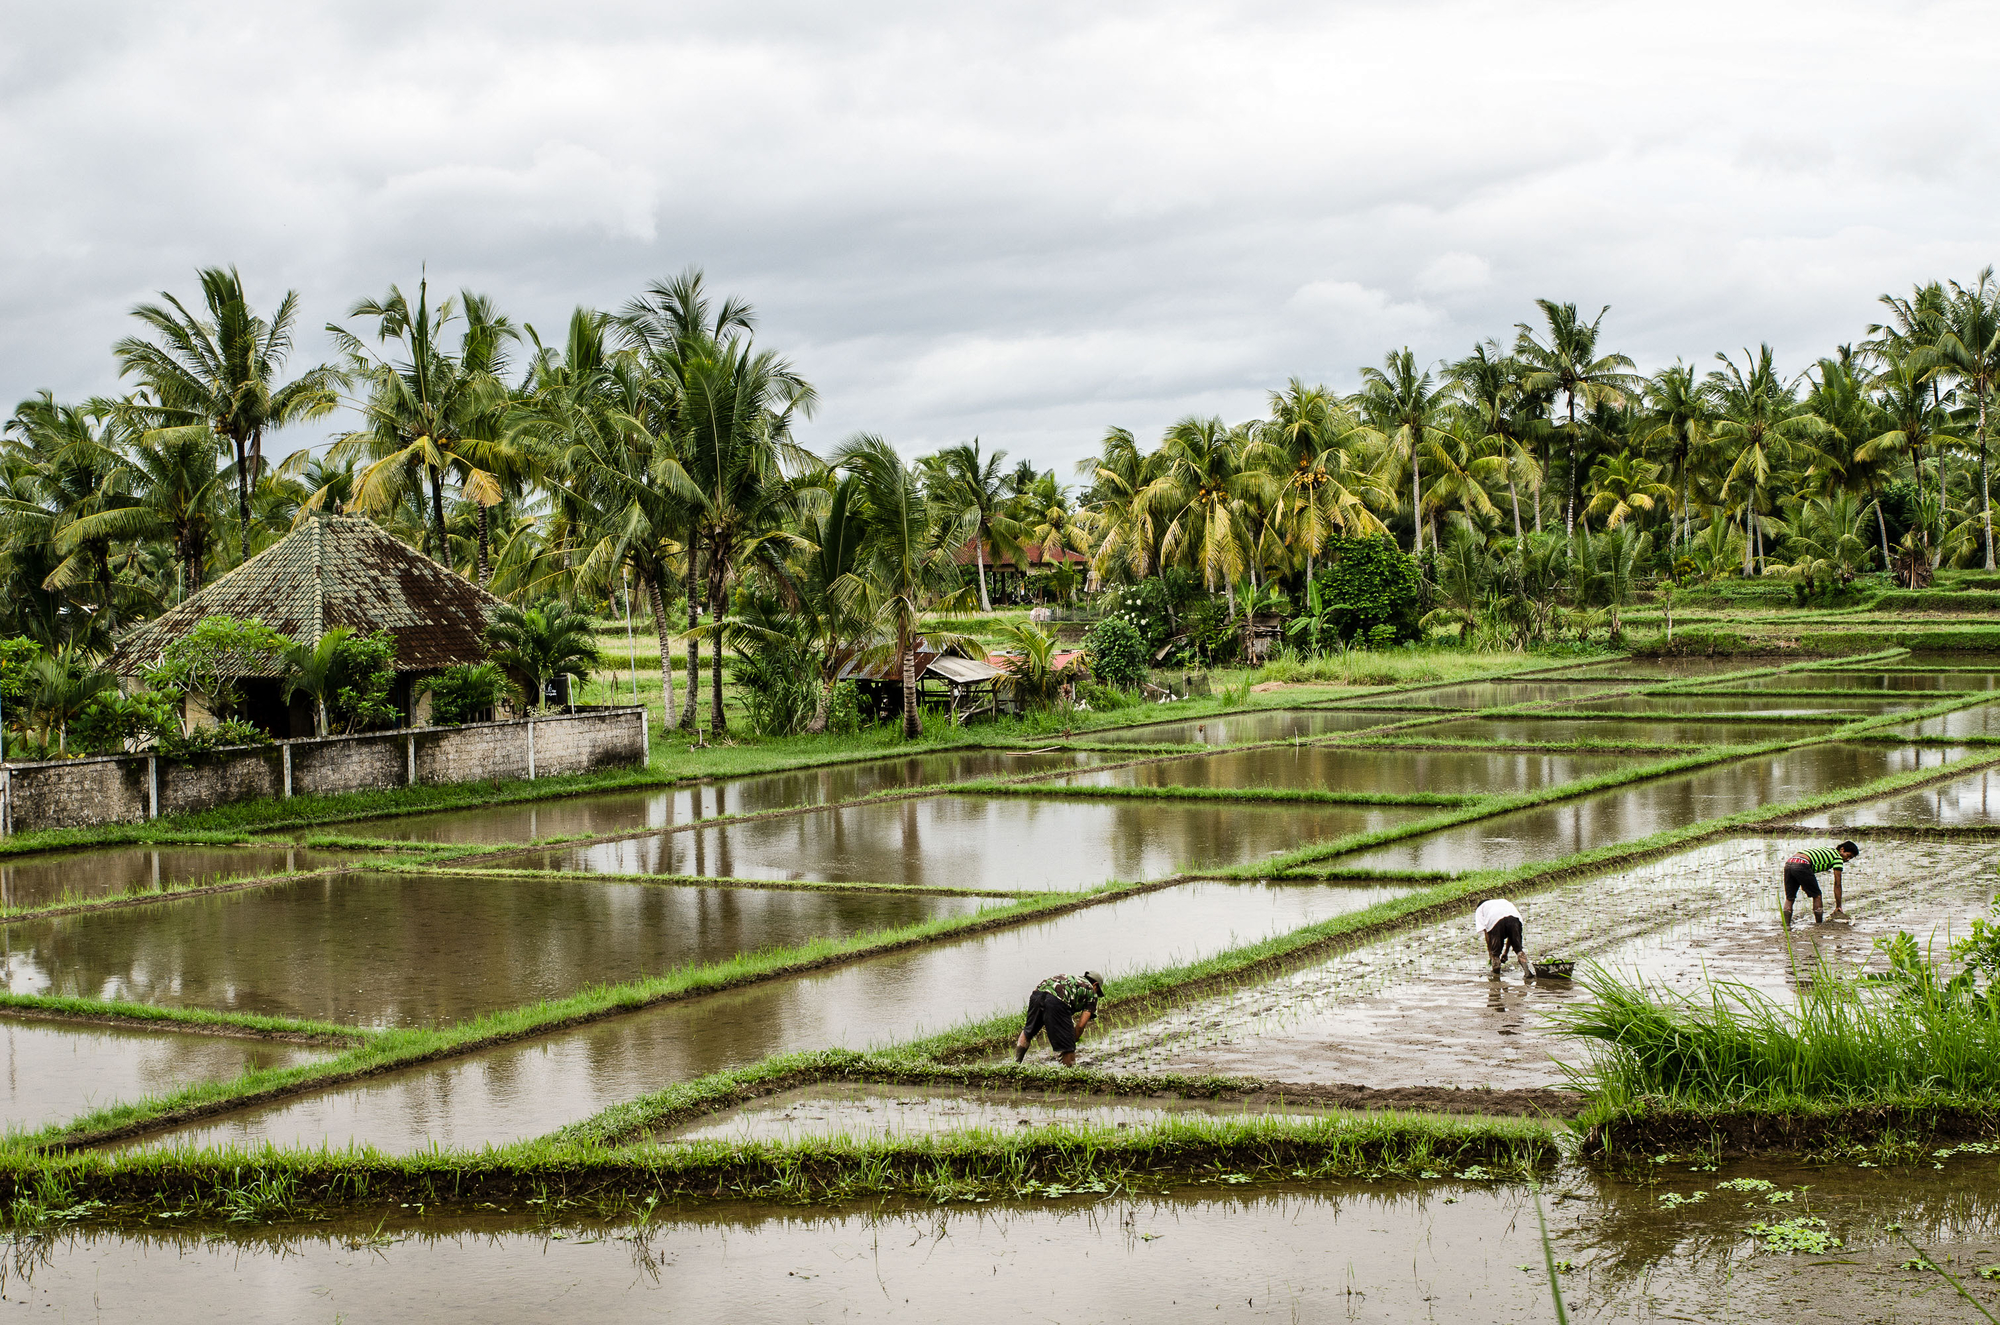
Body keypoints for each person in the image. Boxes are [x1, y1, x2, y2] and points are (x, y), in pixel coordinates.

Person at [1014, 971, 1105, 1066]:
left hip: (1038, 993)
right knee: (1069, 1047)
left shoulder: (1072, 978)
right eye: (1098, 992)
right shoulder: (1091, 991)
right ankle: (1069, 1074)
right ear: (1095, 985)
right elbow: (1081, 1026)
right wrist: (1070, 1043)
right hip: (1057, 1000)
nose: (1097, 994)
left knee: (1028, 1030)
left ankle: (1016, 1063)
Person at [1782, 841, 1859, 925]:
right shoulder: (1838, 858)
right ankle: (1819, 924)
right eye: (1848, 856)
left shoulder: (1828, 850)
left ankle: (1786, 925)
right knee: (1817, 895)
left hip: (1789, 862)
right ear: (1842, 849)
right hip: (1802, 864)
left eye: (1850, 858)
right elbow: (1837, 884)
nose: (1847, 859)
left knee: (1790, 897)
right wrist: (1838, 906)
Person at [1473, 897, 1533, 976]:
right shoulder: (1502, 901)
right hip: (1514, 918)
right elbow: (1510, 936)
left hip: (1495, 921)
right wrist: (1505, 953)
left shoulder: (1480, 909)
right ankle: (1527, 971)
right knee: (1519, 950)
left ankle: (1496, 975)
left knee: (1495, 954)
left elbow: (1487, 934)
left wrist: (1491, 953)